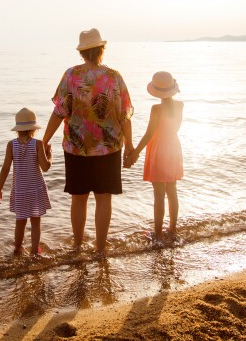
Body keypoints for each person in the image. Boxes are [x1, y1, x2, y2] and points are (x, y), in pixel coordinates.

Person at [42, 28, 134, 255]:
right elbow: (124, 116)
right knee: (103, 200)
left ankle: (77, 245)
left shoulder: (71, 75)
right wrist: (130, 146)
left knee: (79, 199)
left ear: (82, 53)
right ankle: (101, 250)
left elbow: (59, 112)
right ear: (101, 49)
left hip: (77, 148)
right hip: (109, 148)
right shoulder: (114, 77)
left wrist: (44, 140)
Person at [125, 71, 184, 244]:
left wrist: (135, 152)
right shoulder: (180, 105)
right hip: (173, 147)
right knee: (172, 191)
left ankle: (158, 234)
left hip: (159, 149)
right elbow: (175, 129)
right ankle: (172, 230)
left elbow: (149, 134)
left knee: (159, 194)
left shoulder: (156, 109)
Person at [0, 108, 52, 256]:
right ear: (33, 129)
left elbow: (5, 168)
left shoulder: (11, 145)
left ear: (18, 129)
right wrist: (49, 155)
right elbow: (45, 168)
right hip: (36, 188)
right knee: (35, 221)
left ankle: (18, 248)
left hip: (20, 189)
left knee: (20, 221)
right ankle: (34, 252)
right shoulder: (37, 144)